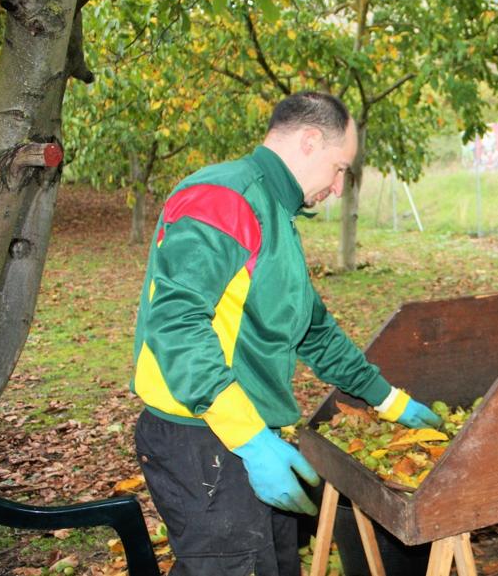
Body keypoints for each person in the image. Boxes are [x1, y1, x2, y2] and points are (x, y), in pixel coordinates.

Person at [131, 91, 441, 575]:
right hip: (207, 444)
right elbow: (175, 322)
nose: (340, 188)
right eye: (341, 168)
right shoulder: (224, 198)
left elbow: (314, 330)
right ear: (310, 141)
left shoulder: (275, 214)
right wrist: (250, 439)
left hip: (253, 438)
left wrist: (392, 403)